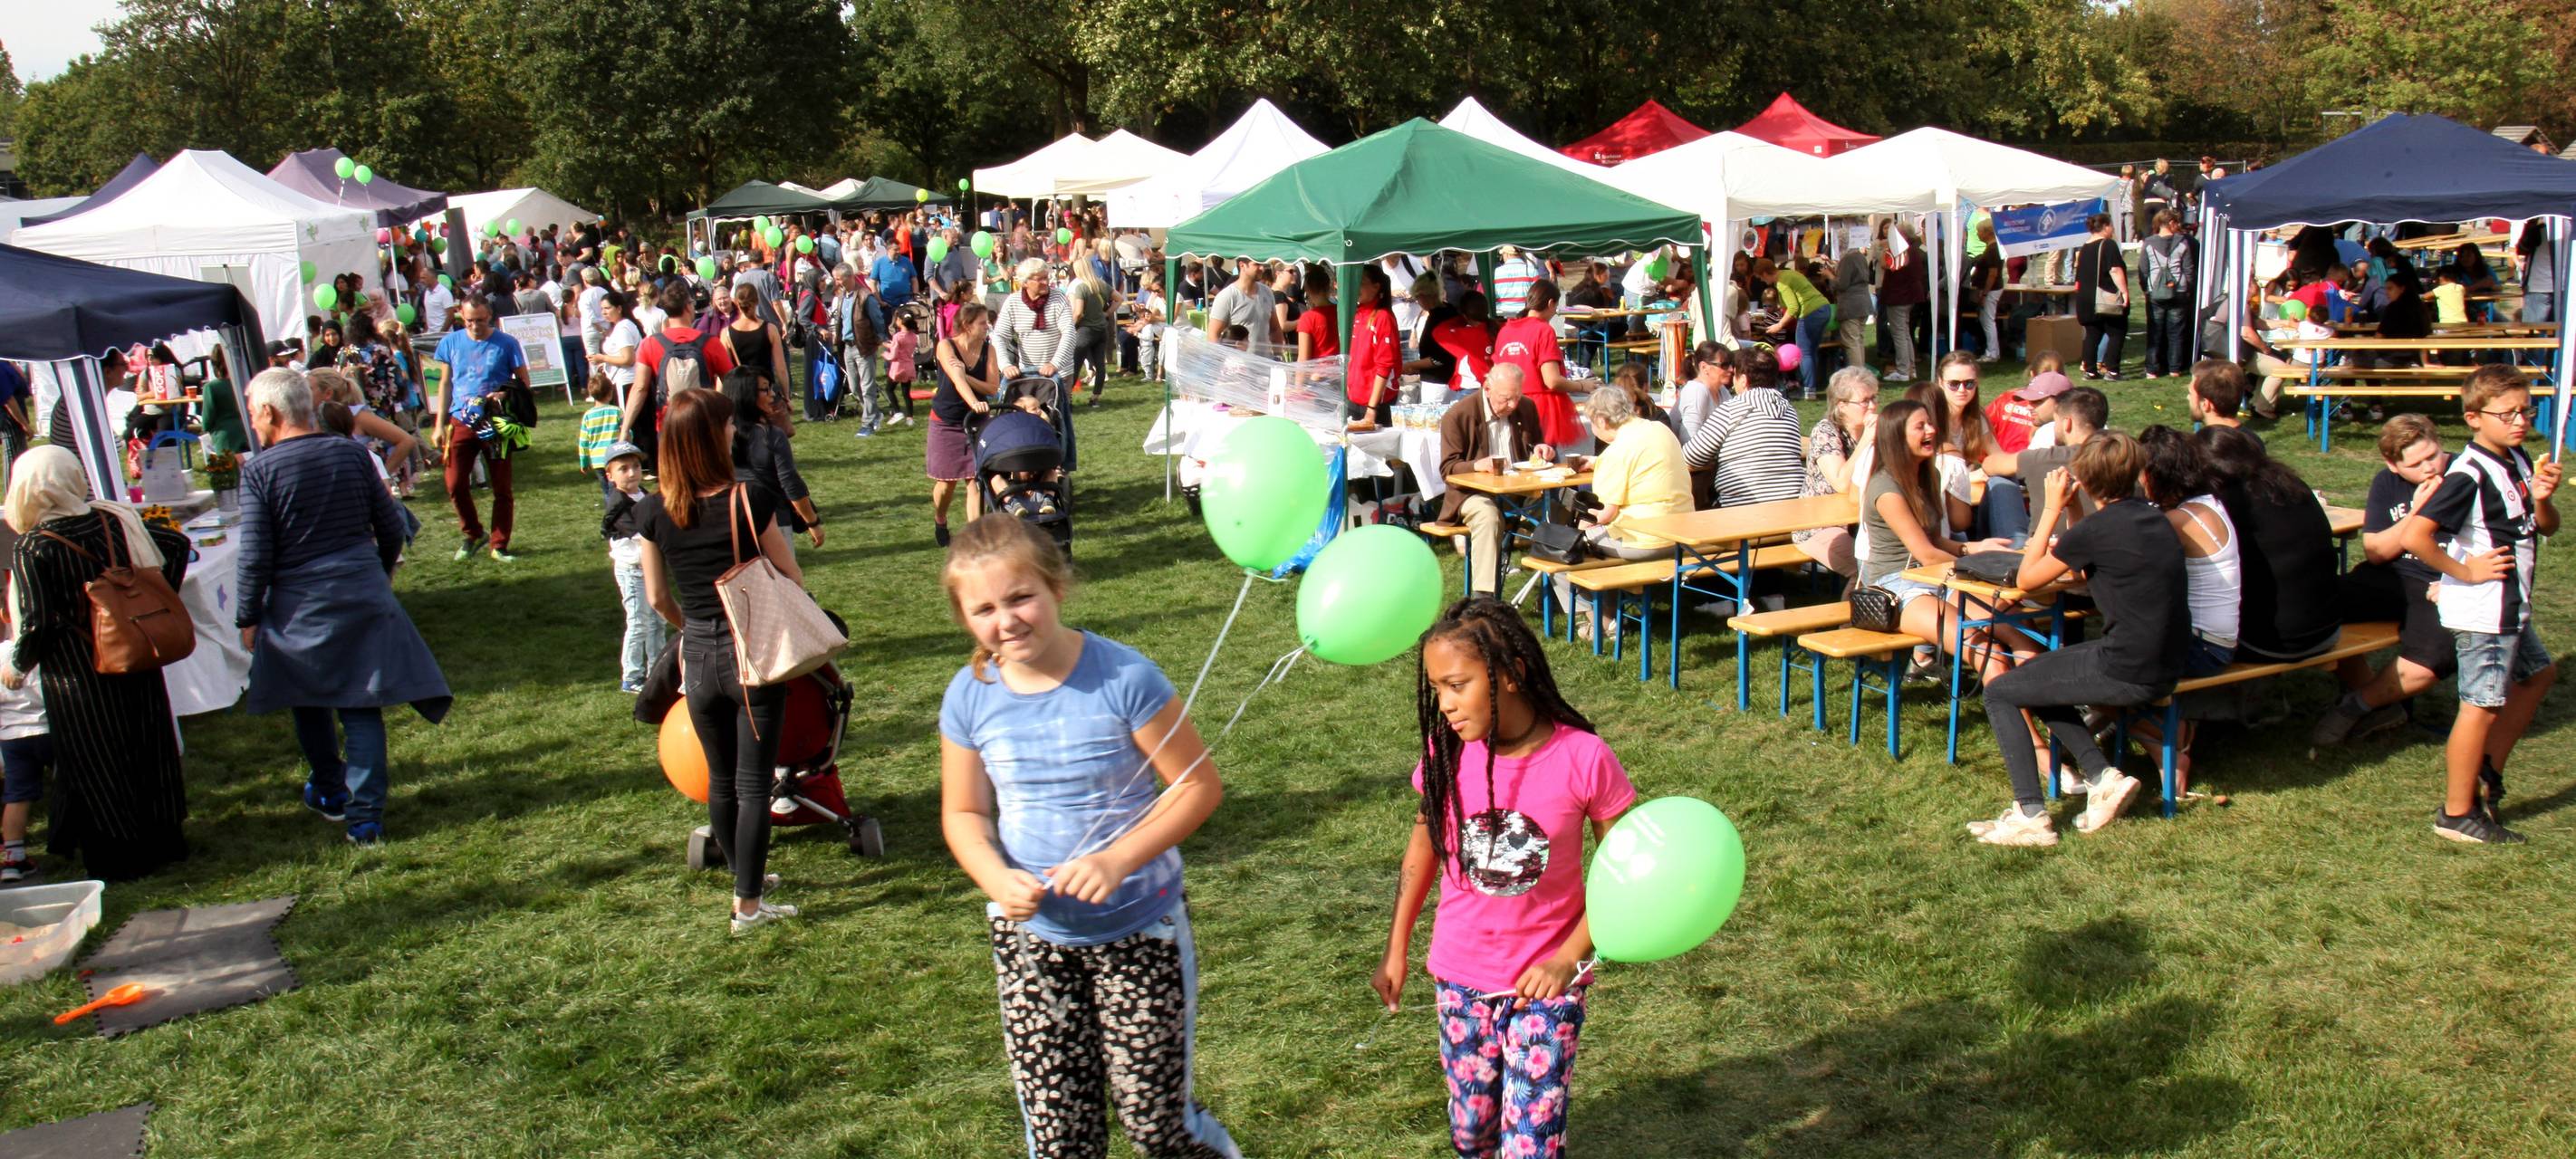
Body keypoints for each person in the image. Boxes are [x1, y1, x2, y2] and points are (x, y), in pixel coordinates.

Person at [937, 514, 1241, 1158]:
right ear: (965, 617)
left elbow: (1197, 787)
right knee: (1059, 1137)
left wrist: (1117, 859)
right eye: (985, 608)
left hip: (1140, 933)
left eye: (1021, 597)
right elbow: (963, 813)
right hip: (1032, 942)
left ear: (1057, 588)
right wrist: (993, 877)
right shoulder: (970, 696)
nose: (1007, 620)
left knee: (1159, 1126)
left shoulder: (1125, 680)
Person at [1372, 597, 1633, 1158]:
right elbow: (1422, 851)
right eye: (1436, 688)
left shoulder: (1584, 757)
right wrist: (1396, 948)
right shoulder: (1445, 753)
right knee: (1472, 1138)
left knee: (1531, 1148)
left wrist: (1569, 957)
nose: (1444, 704)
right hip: (1459, 979)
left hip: (1548, 985)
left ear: (1510, 675)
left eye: (1457, 685)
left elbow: (1626, 875)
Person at [234, 369, 448, 847]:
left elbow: (255, 556)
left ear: (269, 412)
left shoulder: (260, 471)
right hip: (359, 589)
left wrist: (247, 616)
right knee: (361, 703)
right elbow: (392, 524)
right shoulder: (351, 453)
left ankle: (331, 792)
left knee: (307, 696)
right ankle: (365, 816)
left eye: (252, 409)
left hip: (299, 604)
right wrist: (379, 571)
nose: (251, 419)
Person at [638, 390, 808, 929]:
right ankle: (749, 905)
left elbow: (656, 598)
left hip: (697, 657)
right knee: (756, 783)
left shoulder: (652, 509)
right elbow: (790, 577)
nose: (734, 430)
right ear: (713, 436)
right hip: (751, 654)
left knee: (721, 779)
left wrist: (694, 627)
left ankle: (745, 878)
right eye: (728, 424)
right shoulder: (748, 499)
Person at [1975, 432, 2189, 846]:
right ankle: (2102, 777)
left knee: (2001, 692)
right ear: (2138, 475)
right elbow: (2091, 563)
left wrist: (2053, 507)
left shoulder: (2099, 530)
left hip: (2127, 667)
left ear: (2084, 478)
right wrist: (2075, 509)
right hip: (2166, 661)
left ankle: (2030, 816)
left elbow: (2026, 579)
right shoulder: (2153, 518)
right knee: (2035, 678)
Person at [0, 447, 191, 877]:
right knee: (148, 746)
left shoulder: (34, 547)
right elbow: (175, 545)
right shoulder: (112, 520)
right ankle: (165, 841)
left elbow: (36, 622)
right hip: (133, 655)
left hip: (77, 674)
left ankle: (118, 857)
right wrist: (151, 606)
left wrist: (17, 665)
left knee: (97, 763)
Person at [2398, 365, 2561, 843]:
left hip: (2512, 607)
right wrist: (2467, 572)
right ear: (2473, 417)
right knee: (2481, 704)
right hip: (2485, 609)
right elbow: (2416, 535)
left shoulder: (2517, 458)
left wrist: (2543, 498)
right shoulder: (2468, 474)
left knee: (2538, 674)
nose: (2519, 420)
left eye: (2526, 410)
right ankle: (2456, 812)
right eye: (2506, 413)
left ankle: (2485, 764)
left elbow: (2544, 527)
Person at [2315, 415, 2459, 745]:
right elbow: (2377, 551)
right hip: (2391, 575)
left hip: (2440, 582)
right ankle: (2383, 703)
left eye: (2433, 456)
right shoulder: (2387, 483)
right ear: (2393, 465)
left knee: (2433, 658)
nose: (2430, 468)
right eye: (2417, 464)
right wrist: (2417, 514)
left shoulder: (2465, 476)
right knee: (2312, 603)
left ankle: (2357, 704)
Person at [1859, 400, 2023, 688]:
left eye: (1930, 423)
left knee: (2019, 629)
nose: (1932, 430)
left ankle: (2057, 722)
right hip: (1898, 585)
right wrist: (1980, 568)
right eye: (1920, 426)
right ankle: (2023, 733)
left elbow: (1933, 540)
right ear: (1897, 436)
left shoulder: (1928, 474)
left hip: (1938, 577)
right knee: (1990, 654)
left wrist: (1975, 548)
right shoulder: (1884, 488)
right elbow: (1924, 553)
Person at [1559, 388, 1691, 640]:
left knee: (1561, 552)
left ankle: (1601, 623)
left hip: (1645, 540)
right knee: (1595, 545)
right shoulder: (1658, 430)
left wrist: (1575, 530)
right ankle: (1609, 613)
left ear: (1600, 421)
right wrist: (1597, 462)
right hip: (1681, 533)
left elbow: (1604, 514)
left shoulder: (1616, 453)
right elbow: (1639, 462)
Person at [1435, 363, 1553, 598]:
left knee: (1558, 511)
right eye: (1506, 399)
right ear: (1487, 388)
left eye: (1517, 397)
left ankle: (1559, 591)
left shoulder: (1526, 408)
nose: (1512, 405)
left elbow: (1535, 446)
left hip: (1519, 491)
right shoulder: (1458, 416)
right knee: (1488, 516)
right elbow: (1448, 469)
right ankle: (1484, 598)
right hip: (1472, 494)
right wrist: (1477, 465)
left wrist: (1542, 449)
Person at [429, 296, 532, 562]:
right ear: (461, 318)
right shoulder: (450, 342)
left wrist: (504, 396)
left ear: (490, 317)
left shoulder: (507, 343)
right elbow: (445, 384)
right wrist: (439, 423)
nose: (475, 326)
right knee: (454, 483)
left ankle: (499, 543)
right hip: (460, 419)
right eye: (469, 320)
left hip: (494, 423)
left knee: (501, 487)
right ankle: (473, 533)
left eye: (481, 320)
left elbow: (523, 382)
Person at [628, 283, 741, 474]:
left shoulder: (650, 344)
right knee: (708, 477)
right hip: (704, 419)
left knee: (676, 478)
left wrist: (625, 429)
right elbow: (732, 383)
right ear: (689, 307)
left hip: (668, 420)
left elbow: (639, 389)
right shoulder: (710, 342)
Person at [1682, 345, 1802, 508]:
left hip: (1742, 509)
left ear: (1744, 380)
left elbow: (1690, 456)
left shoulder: (1732, 410)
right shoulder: (1789, 411)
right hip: (1792, 505)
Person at [1793, 366, 1880, 577]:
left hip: (1861, 519)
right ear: (1842, 405)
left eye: (1874, 398)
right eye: (1864, 401)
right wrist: (1867, 442)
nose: (1872, 406)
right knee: (1865, 571)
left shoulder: (1877, 430)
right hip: (1819, 526)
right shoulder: (1826, 432)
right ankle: (1857, 608)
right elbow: (1841, 483)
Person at [721, 369, 822, 551]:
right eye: (765, 390)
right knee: (785, 577)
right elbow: (790, 483)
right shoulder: (771, 435)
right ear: (747, 395)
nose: (772, 394)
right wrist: (812, 522)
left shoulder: (719, 434)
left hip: (732, 521)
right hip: (773, 520)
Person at [929, 303, 1001, 546]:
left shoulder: (988, 350)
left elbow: (993, 387)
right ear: (967, 325)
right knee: (946, 483)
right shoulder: (945, 346)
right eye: (982, 323)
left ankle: (976, 537)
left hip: (976, 422)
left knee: (975, 480)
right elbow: (956, 380)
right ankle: (940, 518)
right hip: (946, 421)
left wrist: (968, 377)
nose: (986, 327)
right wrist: (973, 400)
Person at [1492, 282, 1580, 447]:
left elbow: (1495, 372)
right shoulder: (1544, 330)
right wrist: (1582, 386)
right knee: (1545, 462)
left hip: (1510, 406)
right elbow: (1552, 380)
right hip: (1541, 409)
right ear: (1550, 303)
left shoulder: (1505, 330)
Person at [0, 590, 48, 883]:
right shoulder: (38, 652)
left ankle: (13, 857)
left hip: (12, 739)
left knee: (16, 796)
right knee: (73, 785)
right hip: (47, 730)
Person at [1759, 257, 1833, 395]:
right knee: (1811, 350)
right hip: (1824, 308)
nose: (1763, 281)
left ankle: (1808, 390)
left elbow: (1793, 308)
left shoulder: (1781, 283)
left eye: (1761, 278)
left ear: (1764, 274)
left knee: (1803, 352)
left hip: (1810, 312)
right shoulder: (1789, 274)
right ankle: (1814, 386)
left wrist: (1779, 325)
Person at [719, 283, 792, 417]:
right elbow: (781, 368)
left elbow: (723, 372)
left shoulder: (726, 333)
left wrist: (720, 400)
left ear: (736, 302)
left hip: (740, 393)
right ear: (757, 301)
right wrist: (786, 396)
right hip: (765, 392)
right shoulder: (770, 329)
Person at [1342, 267, 1402, 428]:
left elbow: (1385, 365)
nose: (1356, 288)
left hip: (1375, 403)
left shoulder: (1382, 317)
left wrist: (1372, 408)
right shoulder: (1356, 314)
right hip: (1354, 397)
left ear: (1376, 287)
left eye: (1361, 283)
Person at [2072, 214, 2130, 379]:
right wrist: (2125, 292)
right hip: (2105, 298)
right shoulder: (2108, 245)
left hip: (2086, 298)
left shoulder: (2084, 247)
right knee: (2117, 332)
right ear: (2105, 226)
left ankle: (2090, 370)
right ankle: (2112, 370)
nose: (2112, 229)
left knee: (2092, 334)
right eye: (2111, 225)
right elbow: (2115, 270)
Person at [1872, 228, 1927, 385]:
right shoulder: (1914, 250)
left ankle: (1903, 370)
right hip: (1909, 296)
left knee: (1899, 334)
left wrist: (1884, 248)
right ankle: (1911, 368)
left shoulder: (1901, 251)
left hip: (1899, 297)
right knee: (1905, 333)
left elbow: (1885, 264)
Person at [1062, 261, 1118, 406]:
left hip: (1085, 331)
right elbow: (1119, 299)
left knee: (1074, 366)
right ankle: (1095, 398)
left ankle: (1067, 399)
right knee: (1100, 366)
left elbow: (1078, 313)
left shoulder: (1081, 288)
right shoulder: (1101, 284)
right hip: (1101, 330)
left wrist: (1068, 328)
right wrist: (1107, 313)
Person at [1985, 369, 2070, 455]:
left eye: (2038, 401)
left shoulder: (2048, 434)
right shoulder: (2046, 432)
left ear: (2061, 401)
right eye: (2029, 401)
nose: (2028, 407)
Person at [1202, 258, 1277, 347]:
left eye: (1262, 264)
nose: (1262, 268)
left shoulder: (1267, 292)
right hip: (1238, 359)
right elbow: (1213, 336)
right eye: (1256, 264)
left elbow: (1275, 329)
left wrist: (1278, 356)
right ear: (1242, 265)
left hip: (1265, 359)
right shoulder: (1227, 296)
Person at [1832, 242, 1877, 373]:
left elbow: (1842, 284)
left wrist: (1830, 277)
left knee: (1852, 343)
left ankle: (1858, 375)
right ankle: (1862, 371)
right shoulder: (1860, 257)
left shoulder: (1847, 259)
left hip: (1850, 305)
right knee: (1859, 341)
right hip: (1863, 303)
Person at [1969, 219, 2006, 362]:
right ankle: (1992, 351)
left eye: (1979, 231)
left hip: (1991, 289)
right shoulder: (1992, 248)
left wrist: (1984, 293)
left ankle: (1992, 352)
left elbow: (1993, 274)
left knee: (1988, 320)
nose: (1978, 234)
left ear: (1987, 232)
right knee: (1987, 320)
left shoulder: (1992, 250)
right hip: (1991, 288)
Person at [2187, 359, 2254, 432]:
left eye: (2190, 393)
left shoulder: (2205, 443)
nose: (2188, 397)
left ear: (2206, 404)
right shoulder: (2251, 438)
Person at [1292, 268, 1340, 363]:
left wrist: (1298, 378)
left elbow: (1303, 359)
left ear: (1308, 290)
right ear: (1328, 287)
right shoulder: (1340, 312)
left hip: (1317, 374)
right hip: (1341, 371)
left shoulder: (1307, 318)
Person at [884, 310, 921, 427]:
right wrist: (890, 345)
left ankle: (897, 411)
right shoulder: (914, 336)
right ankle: (910, 418)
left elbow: (894, 354)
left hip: (898, 367)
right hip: (909, 366)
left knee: (889, 389)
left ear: (899, 321)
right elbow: (903, 347)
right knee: (906, 393)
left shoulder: (897, 336)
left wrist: (885, 355)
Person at [1490, 246, 1542, 317]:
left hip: (1502, 315)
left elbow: (1492, 295)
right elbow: (1538, 295)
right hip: (1525, 314)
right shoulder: (1532, 271)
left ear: (1507, 254)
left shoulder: (1496, 272)